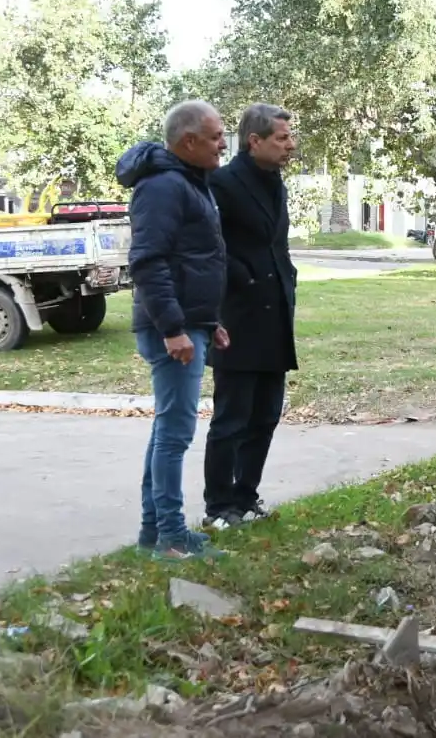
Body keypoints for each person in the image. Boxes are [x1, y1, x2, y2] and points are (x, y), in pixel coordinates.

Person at [119, 100, 230, 560]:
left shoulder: (190, 182)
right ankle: (169, 536)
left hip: (190, 323)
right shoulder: (165, 187)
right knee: (175, 434)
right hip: (172, 329)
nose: (224, 143)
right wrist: (174, 328)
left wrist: (209, 321)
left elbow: (195, 260)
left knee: (168, 429)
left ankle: (153, 534)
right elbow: (148, 261)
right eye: (215, 136)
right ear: (188, 142)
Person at [201, 104, 299, 530]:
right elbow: (211, 247)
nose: (290, 146)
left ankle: (246, 496)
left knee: (265, 416)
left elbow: (277, 245)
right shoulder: (222, 183)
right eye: (281, 138)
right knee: (232, 418)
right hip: (238, 319)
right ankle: (219, 505)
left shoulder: (276, 183)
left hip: (276, 316)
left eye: (289, 138)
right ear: (253, 141)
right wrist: (243, 280)